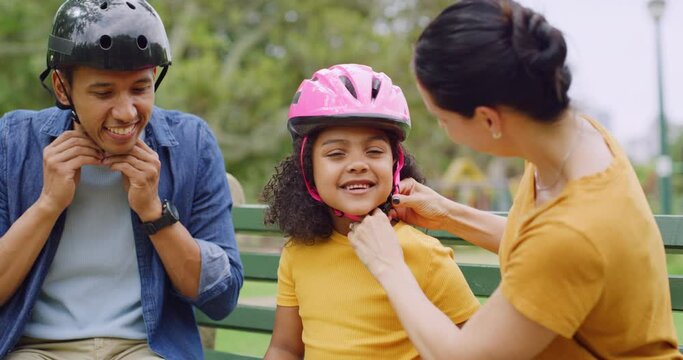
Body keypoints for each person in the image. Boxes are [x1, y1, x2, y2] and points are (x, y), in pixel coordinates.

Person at [347, 0, 682, 359]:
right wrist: (446, 213)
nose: (445, 131)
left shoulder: (575, 230)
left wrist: (387, 264)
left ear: (489, 120)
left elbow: (463, 357)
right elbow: (541, 252)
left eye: (443, 119)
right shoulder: (572, 143)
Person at [0, 1, 243, 359]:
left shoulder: (192, 142)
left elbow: (222, 299)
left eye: (140, 89)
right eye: (103, 93)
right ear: (61, 87)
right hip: (36, 349)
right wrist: (48, 204)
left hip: (146, 349)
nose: (127, 112)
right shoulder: (13, 140)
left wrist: (154, 212)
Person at [261, 63, 480, 359]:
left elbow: (474, 351)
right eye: (336, 153)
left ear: (395, 164)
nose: (357, 164)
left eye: (374, 151)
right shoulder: (298, 252)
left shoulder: (426, 255)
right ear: (308, 168)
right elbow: (285, 348)